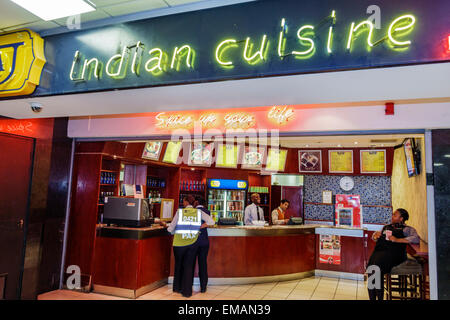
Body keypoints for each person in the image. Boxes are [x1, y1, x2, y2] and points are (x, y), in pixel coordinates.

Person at [366, 208, 420, 300]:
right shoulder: (386, 226)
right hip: (379, 253)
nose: (392, 216)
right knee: (373, 271)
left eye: (395, 215)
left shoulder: (407, 229)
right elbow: (375, 237)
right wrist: (375, 236)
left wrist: (397, 240)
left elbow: (416, 238)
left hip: (394, 255)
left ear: (401, 218)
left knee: (375, 270)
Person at [167, 195, 215, 297]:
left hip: (179, 243)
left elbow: (170, 229)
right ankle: (187, 292)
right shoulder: (198, 212)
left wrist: (168, 227)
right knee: (188, 267)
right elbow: (211, 221)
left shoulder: (180, 212)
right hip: (192, 243)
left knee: (179, 266)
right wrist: (200, 226)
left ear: (185, 202)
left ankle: (177, 288)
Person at [193, 195, 212, 293]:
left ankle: (188, 285)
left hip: (193, 241)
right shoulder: (207, 211)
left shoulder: (192, 211)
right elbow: (212, 222)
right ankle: (203, 287)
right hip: (204, 241)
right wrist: (202, 226)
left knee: (190, 264)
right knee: (203, 264)